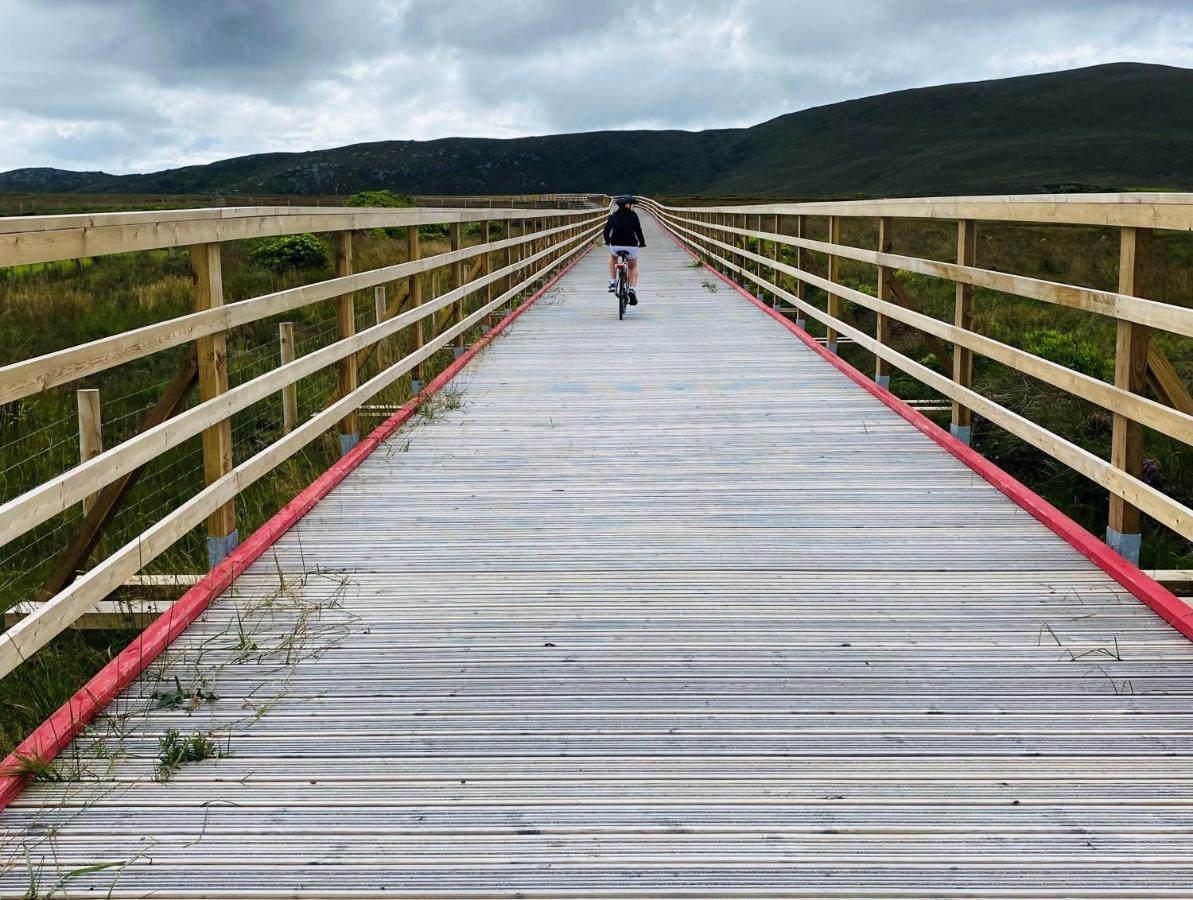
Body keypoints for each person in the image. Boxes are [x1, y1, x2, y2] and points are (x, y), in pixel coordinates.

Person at [603, 195, 645, 304]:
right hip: (631, 245)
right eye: (632, 205)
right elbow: (638, 231)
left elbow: (606, 231)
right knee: (633, 266)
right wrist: (642, 243)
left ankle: (612, 282)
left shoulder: (613, 216)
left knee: (613, 256)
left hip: (615, 244)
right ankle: (632, 289)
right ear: (627, 205)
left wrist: (608, 241)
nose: (633, 207)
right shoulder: (633, 215)